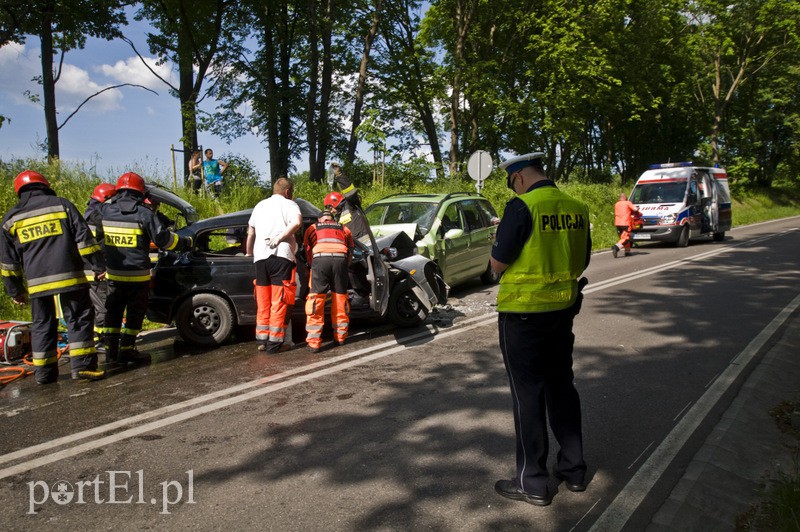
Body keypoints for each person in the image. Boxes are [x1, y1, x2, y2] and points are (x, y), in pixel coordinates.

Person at [490, 152, 591, 506]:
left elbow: (498, 263)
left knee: (528, 395)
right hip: (562, 311)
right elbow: (582, 261)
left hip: (523, 317)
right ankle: (574, 469)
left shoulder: (521, 207)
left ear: (517, 178)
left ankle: (532, 481)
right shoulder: (576, 207)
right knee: (562, 387)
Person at [0, 170, 106, 383]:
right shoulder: (62, 205)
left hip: (37, 283)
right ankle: (83, 367)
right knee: (78, 319)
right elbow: (84, 239)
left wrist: (15, 290)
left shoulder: (11, 218)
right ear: (45, 185)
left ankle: (45, 374)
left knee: (41, 324)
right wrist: (97, 266)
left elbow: (8, 262)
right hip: (70, 277)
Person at [101, 172, 192, 366]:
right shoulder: (144, 213)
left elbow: (94, 236)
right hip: (137, 276)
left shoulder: (105, 211)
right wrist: (184, 242)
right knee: (135, 314)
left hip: (114, 275)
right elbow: (164, 240)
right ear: (140, 192)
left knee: (113, 312)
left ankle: (110, 354)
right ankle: (127, 351)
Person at [245, 177, 302, 353]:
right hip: (280, 256)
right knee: (279, 299)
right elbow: (297, 223)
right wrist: (280, 237)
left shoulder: (259, 206)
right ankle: (275, 343)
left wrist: (249, 253)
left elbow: (251, 232)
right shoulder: (290, 204)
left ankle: (262, 340)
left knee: (263, 300)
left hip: (260, 257)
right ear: (287, 192)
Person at [303, 192, 354, 353]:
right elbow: (350, 250)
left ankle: (314, 342)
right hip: (340, 261)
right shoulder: (343, 228)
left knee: (316, 299)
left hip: (320, 262)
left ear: (320, 219)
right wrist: (345, 265)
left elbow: (308, 250)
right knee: (340, 298)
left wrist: (313, 266)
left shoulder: (312, 228)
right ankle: (340, 337)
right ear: (332, 219)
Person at [83, 182, 116, 356]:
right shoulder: (95, 218)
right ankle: (100, 341)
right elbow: (94, 247)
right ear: (107, 199)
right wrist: (99, 267)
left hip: (94, 269)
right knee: (102, 307)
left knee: (98, 306)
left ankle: (100, 338)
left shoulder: (92, 214)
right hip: (94, 271)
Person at [330, 162, 370, 241]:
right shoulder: (337, 218)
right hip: (353, 248)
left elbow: (350, 192)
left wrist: (339, 175)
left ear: (337, 204)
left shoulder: (350, 206)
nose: (331, 211)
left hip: (365, 244)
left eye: (332, 208)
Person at [612, 192, 640, 258]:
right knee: (626, 238)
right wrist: (638, 209)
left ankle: (627, 251)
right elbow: (635, 209)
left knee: (623, 237)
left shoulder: (616, 204)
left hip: (618, 223)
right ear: (625, 197)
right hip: (625, 223)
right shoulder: (627, 203)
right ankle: (616, 247)